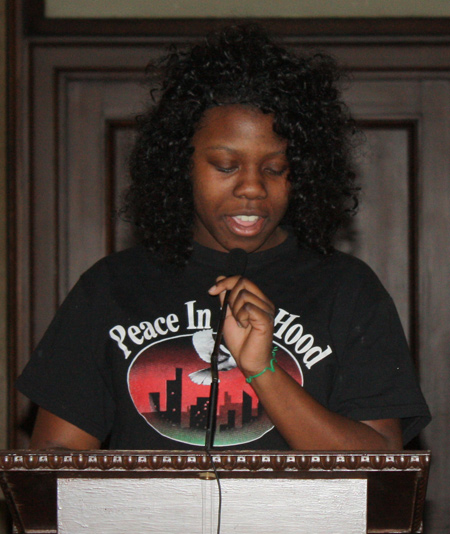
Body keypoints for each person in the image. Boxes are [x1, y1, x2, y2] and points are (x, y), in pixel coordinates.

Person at [17, 24, 430, 451]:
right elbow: (53, 476)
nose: (252, 188)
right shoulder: (110, 287)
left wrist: (263, 371)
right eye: (226, 166)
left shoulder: (349, 289)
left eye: (274, 169)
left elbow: (381, 466)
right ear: (181, 165)